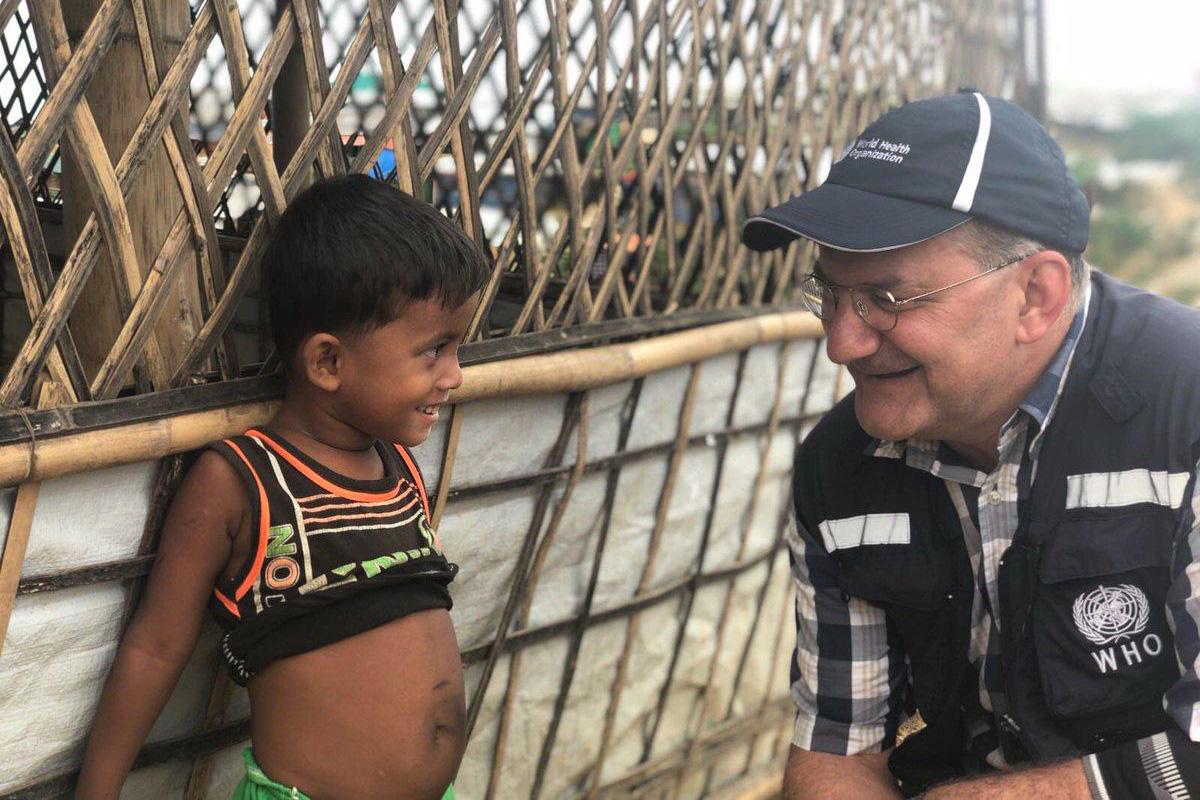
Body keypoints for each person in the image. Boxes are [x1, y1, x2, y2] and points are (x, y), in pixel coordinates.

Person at [742, 91, 1200, 799]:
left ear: (1035, 296)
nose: (841, 342)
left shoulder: (1184, 405)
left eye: (886, 300)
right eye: (830, 294)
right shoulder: (840, 466)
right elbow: (838, 748)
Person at [76, 174, 488, 800]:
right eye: (434, 351)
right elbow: (156, 648)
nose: (455, 375)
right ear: (327, 362)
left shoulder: (400, 472)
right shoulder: (244, 481)